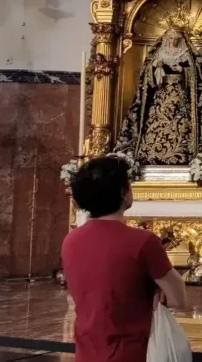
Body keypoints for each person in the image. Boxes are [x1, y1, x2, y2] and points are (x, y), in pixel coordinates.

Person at [62, 155, 187, 362]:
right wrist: (157, 291)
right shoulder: (143, 241)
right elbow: (178, 299)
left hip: (87, 353)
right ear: (123, 193)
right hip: (131, 353)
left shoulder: (70, 241)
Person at [115, 27, 202, 165]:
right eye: (171, 39)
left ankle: (183, 153)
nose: (173, 41)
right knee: (156, 121)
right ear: (167, 39)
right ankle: (151, 153)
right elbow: (147, 76)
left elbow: (198, 76)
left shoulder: (186, 53)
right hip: (161, 94)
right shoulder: (159, 53)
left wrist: (183, 70)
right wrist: (156, 68)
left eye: (176, 39)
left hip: (180, 95)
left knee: (181, 124)